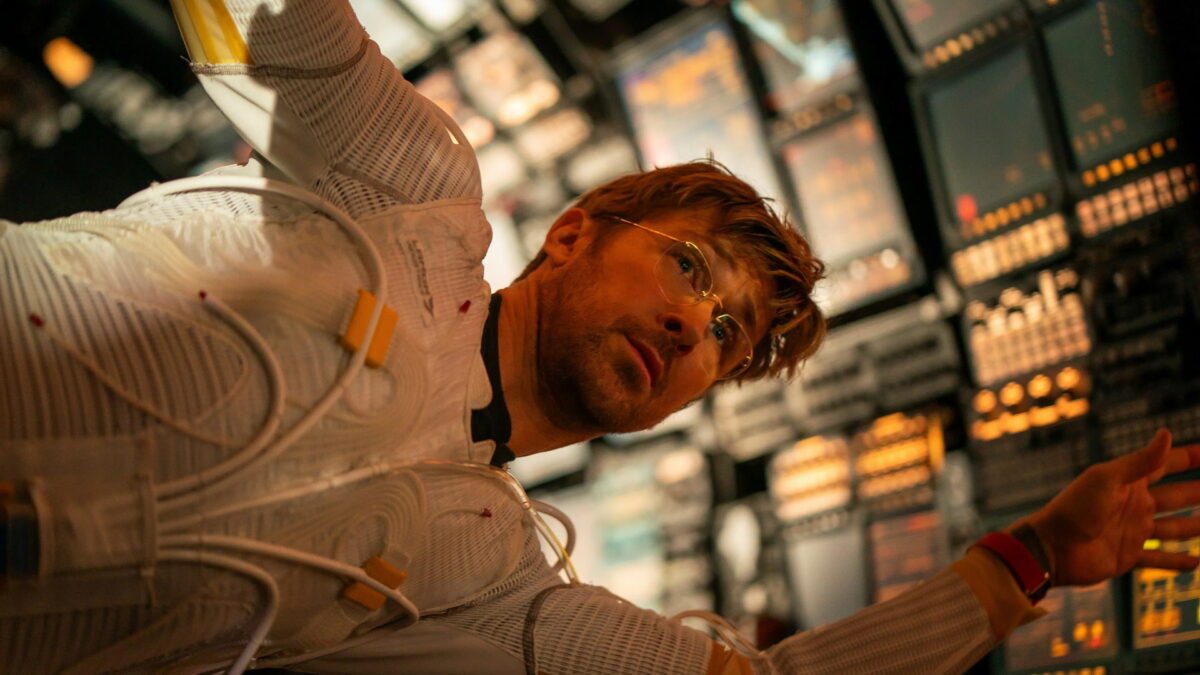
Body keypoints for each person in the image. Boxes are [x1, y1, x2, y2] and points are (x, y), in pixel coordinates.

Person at [0, 0, 1198, 672]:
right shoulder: (409, 187)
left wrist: (1025, 561)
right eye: (689, 267)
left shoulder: (498, 587)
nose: (691, 324)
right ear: (574, 229)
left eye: (725, 336)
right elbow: (256, 13)